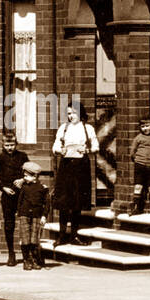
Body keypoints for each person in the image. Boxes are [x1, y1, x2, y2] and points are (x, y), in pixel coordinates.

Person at [52, 104, 98, 245]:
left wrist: (87, 151)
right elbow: (55, 147)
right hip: (66, 166)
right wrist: (61, 151)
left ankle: (74, 235)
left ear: (81, 113)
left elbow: (96, 146)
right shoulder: (63, 128)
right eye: (69, 113)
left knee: (77, 201)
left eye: (74, 113)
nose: (71, 116)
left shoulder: (87, 128)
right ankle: (61, 235)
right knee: (64, 201)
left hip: (81, 166)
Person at [0, 130, 30, 266]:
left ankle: (26, 254)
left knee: (25, 222)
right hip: (7, 195)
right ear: (2, 145)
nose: (9, 148)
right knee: (9, 224)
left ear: (16, 144)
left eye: (12, 145)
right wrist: (3, 188)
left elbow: (30, 172)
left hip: (22, 194)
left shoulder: (23, 156)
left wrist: (23, 180)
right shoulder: (0, 158)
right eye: (7, 145)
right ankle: (11, 253)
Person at [16, 161, 50, 270]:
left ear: (34, 176)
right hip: (24, 215)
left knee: (34, 239)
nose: (24, 178)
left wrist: (44, 216)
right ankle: (26, 260)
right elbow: (20, 201)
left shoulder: (43, 188)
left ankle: (35, 259)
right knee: (25, 239)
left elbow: (47, 204)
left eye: (26, 176)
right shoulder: (24, 187)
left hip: (37, 216)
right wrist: (20, 213)